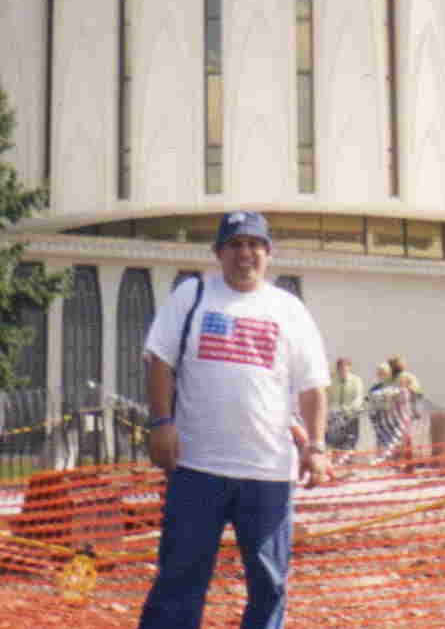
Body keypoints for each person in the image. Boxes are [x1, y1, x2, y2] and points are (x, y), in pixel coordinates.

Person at [137, 211, 332, 629]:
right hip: (197, 469)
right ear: (219, 252)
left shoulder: (288, 310)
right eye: (235, 244)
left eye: (254, 244)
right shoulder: (191, 296)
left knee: (268, 583)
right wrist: (161, 423)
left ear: (268, 252)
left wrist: (316, 447)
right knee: (179, 580)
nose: (245, 253)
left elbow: (313, 386)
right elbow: (160, 360)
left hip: (268, 475)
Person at [325, 357, 365, 452]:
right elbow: (327, 397)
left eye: (345, 367)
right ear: (338, 368)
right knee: (333, 439)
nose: (343, 370)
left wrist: (350, 409)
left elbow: (358, 397)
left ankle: (349, 457)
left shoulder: (356, 380)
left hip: (350, 414)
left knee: (350, 439)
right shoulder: (331, 380)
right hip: (334, 414)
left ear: (349, 367)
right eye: (341, 367)